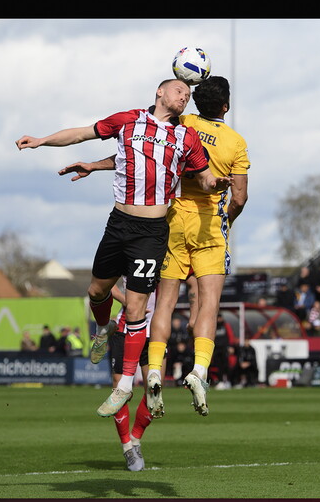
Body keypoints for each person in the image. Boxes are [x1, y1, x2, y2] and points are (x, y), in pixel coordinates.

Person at [17, 78, 230, 417]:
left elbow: (202, 175)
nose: (185, 96)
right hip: (119, 223)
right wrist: (43, 141)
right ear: (159, 92)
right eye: (179, 91)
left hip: (153, 230)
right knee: (96, 291)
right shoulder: (128, 121)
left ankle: (124, 385)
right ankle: (102, 329)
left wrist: (212, 182)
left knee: (135, 309)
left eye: (189, 95)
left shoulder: (185, 136)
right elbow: (83, 133)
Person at [68, 76, 248, 418]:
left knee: (163, 303)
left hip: (171, 219)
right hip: (210, 225)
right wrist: (226, 222)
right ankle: (199, 371)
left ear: (195, 102)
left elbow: (138, 152)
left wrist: (95, 164)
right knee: (206, 305)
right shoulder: (235, 142)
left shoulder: (186, 123)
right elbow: (239, 197)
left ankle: (152, 371)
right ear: (226, 106)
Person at [106, 280, 164, 471]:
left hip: (156, 332)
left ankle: (135, 439)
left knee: (154, 392)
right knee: (120, 388)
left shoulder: (170, 256)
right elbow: (103, 282)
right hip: (125, 329)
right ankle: (127, 447)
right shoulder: (129, 251)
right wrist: (126, 301)